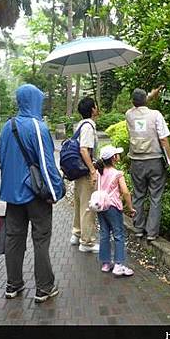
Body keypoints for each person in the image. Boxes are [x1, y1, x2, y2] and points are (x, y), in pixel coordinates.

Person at [0, 84, 64, 301]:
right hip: (35, 195)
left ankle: (12, 285)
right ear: (35, 101)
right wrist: (55, 192)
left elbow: (2, 158)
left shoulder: (8, 127)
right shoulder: (38, 126)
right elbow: (46, 165)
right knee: (41, 239)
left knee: (14, 240)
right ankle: (44, 287)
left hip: (12, 195)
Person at [125, 87, 170, 241]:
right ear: (146, 100)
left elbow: (138, 104)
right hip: (154, 160)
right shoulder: (156, 115)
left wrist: (149, 96)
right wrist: (169, 161)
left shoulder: (129, 115)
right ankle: (152, 233)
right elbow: (164, 139)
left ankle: (138, 228)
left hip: (136, 161)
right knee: (155, 196)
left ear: (133, 101)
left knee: (138, 195)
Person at [95, 145, 136, 276]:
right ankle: (119, 265)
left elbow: (95, 187)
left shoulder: (99, 173)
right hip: (113, 206)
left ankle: (106, 263)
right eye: (117, 154)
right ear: (114, 158)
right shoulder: (118, 174)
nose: (118, 156)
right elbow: (125, 192)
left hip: (101, 206)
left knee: (104, 233)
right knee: (118, 235)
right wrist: (130, 207)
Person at [70, 96, 100, 253]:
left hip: (78, 171)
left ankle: (77, 233)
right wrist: (92, 170)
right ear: (93, 109)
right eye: (95, 106)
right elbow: (84, 149)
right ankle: (87, 242)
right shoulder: (88, 126)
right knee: (88, 206)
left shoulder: (80, 124)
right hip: (85, 171)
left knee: (80, 203)